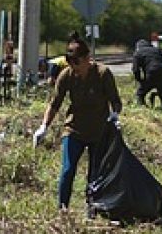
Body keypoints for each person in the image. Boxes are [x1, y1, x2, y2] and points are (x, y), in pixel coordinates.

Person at [32, 32, 122, 210]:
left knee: (95, 173)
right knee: (67, 170)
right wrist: (44, 126)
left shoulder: (103, 74)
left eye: (77, 63)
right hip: (74, 129)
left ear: (88, 58)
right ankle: (63, 209)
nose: (75, 67)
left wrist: (115, 116)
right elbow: (55, 103)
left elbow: (116, 102)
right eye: (71, 63)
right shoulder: (66, 75)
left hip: (99, 131)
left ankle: (92, 208)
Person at [132, 39, 162, 109]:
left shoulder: (138, 53)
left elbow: (135, 70)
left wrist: (140, 80)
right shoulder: (156, 50)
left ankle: (142, 106)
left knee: (140, 93)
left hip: (152, 71)